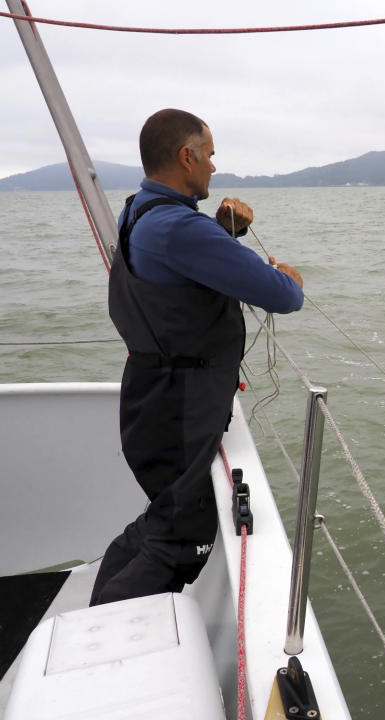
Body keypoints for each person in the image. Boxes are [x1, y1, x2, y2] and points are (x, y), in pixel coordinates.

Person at [90, 109, 304, 606]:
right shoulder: (179, 228)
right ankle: (101, 632)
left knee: (167, 519)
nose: (212, 167)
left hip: (153, 397)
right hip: (179, 410)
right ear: (186, 157)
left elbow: (179, 269)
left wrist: (223, 232)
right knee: (182, 539)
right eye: (208, 155)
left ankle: (97, 611)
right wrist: (292, 278)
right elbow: (281, 295)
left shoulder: (138, 210)